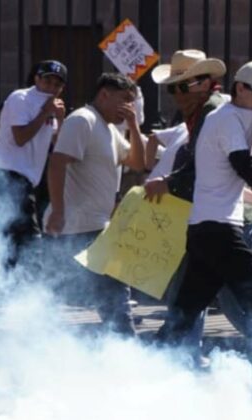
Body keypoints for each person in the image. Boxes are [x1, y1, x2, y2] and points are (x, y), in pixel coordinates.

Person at [154, 61, 252, 352]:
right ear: (240, 89)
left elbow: (232, 181)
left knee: (182, 317)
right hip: (218, 232)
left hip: (208, 230)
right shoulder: (227, 119)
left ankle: (141, 372)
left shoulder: (233, 117)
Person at [45, 72, 145, 335]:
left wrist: (134, 126)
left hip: (97, 226)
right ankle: (125, 349)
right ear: (104, 95)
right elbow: (57, 163)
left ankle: (117, 349)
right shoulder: (83, 120)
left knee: (108, 297)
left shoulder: (109, 128)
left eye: (132, 102)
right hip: (79, 226)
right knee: (113, 295)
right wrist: (57, 210)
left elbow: (138, 162)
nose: (129, 107)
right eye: (124, 100)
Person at [0, 60, 66, 268]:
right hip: (7, 172)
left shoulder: (50, 107)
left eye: (57, 84)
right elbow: (20, 137)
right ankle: (29, 282)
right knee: (28, 234)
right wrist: (45, 113)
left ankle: (8, 280)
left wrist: (60, 117)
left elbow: (58, 143)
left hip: (28, 177)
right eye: (47, 81)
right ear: (37, 79)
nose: (51, 88)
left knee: (12, 234)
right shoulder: (21, 98)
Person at [144, 49, 228, 204]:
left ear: (205, 84)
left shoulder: (210, 110)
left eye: (183, 87)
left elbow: (205, 164)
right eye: (172, 88)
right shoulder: (198, 110)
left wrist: (169, 183)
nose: (177, 94)